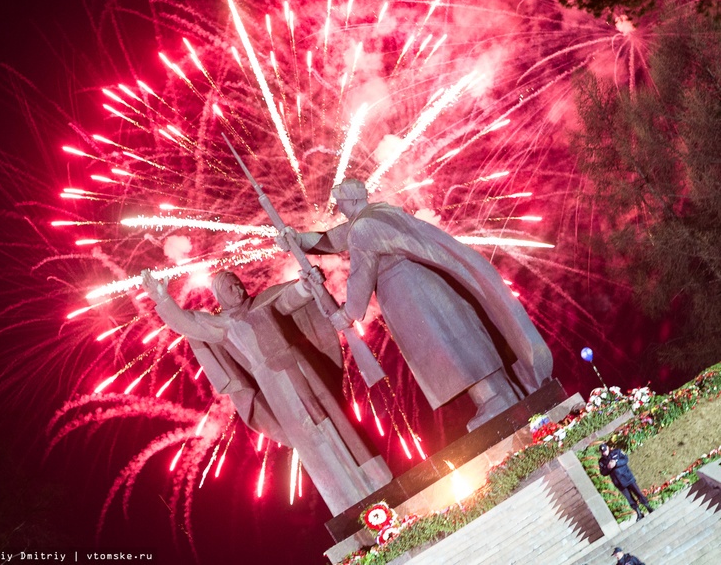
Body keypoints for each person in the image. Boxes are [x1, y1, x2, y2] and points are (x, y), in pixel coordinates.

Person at [278, 178, 553, 430]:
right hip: (422, 286)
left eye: (340, 202)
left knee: (449, 346)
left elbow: (361, 274)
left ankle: (495, 400)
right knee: (461, 340)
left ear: (349, 202)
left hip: (409, 295)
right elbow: (334, 239)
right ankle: (502, 395)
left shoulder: (363, 228)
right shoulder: (380, 214)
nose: (339, 207)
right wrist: (298, 240)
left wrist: (347, 314)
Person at [141, 268, 392, 515]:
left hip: (304, 369)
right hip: (275, 385)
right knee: (309, 439)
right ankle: (345, 502)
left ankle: (378, 481)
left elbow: (289, 298)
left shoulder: (264, 304)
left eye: (238, 282)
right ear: (220, 294)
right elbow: (189, 323)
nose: (237, 288)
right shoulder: (222, 325)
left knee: (338, 420)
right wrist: (163, 299)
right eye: (230, 286)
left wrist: (307, 283)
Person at [599, 443, 653, 520]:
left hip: (627, 477)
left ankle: (648, 507)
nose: (604, 452)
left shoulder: (616, 452)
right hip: (618, 482)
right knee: (629, 498)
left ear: (608, 448)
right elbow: (603, 472)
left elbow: (625, 459)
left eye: (605, 450)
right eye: (602, 451)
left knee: (638, 493)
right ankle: (639, 513)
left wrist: (616, 463)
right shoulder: (602, 461)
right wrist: (608, 468)